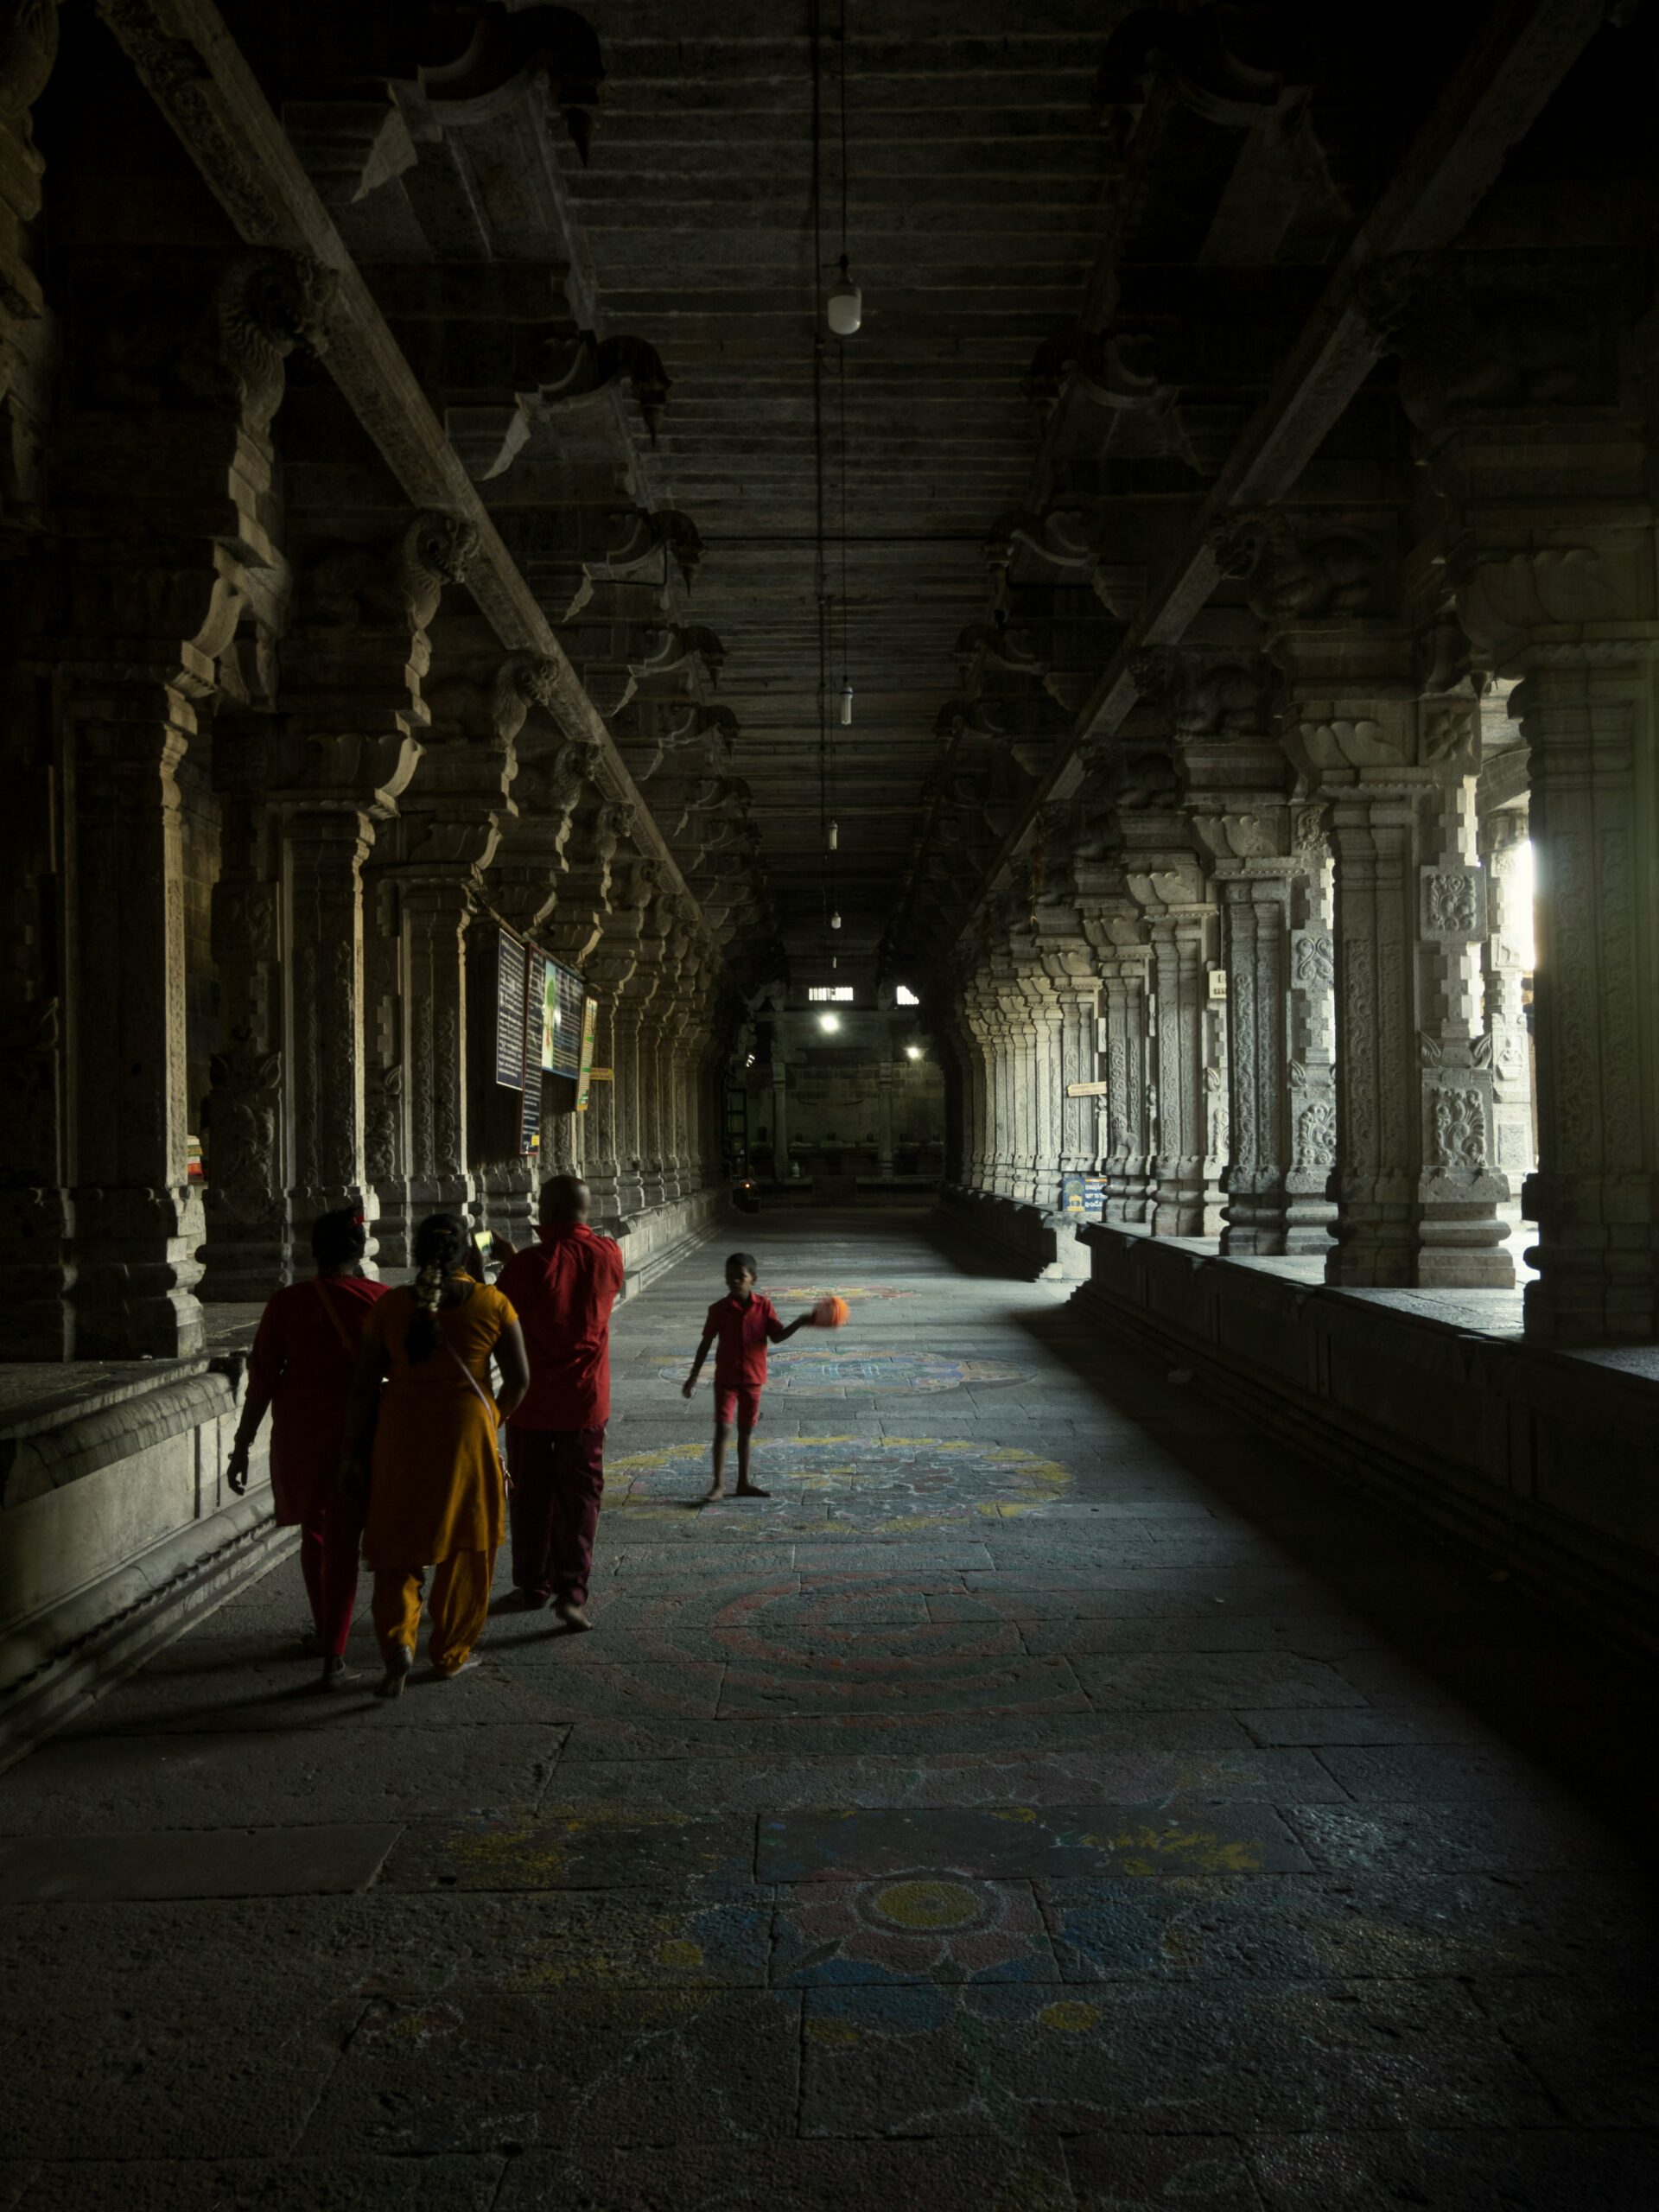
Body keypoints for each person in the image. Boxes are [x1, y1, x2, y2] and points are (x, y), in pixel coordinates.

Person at [342, 1212, 529, 1697]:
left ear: (415, 1252)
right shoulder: (492, 1302)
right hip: (468, 1431)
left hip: (400, 1430)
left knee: (396, 1542)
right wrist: (494, 1419)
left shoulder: (390, 1307)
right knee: (469, 1542)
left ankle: (398, 1644)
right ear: (469, 1253)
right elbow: (521, 1379)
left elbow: (364, 1386)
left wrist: (351, 1451)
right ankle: (449, 1653)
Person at [227, 1210, 390, 1689]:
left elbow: (261, 1380)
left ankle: (328, 1637)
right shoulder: (383, 1301)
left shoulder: (288, 1303)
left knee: (318, 1535)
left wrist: (241, 1445)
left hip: (302, 1434)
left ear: (313, 1252)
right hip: (366, 1434)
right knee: (355, 1539)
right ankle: (347, 1651)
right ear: (360, 1251)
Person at [495, 1174, 626, 1632]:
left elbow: (504, 1312)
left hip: (529, 1402)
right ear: (585, 1210)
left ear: (544, 1211)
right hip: (585, 1402)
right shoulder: (608, 1254)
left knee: (530, 1495)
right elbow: (574, 1281)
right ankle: (573, 1593)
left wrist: (497, 1266)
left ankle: (533, 1583)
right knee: (582, 1495)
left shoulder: (526, 1265)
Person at [682, 1252, 812, 1501]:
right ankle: (718, 1486)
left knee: (745, 1431)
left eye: (740, 1277)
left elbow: (776, 1336)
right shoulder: (718, 1310)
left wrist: (799, 1322)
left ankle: (743, 1482)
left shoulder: (764, 1306)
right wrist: (693, 1376)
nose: (734, 1281)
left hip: (753, 1379)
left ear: (753, 1278)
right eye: (729, 1277)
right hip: (726, 1379)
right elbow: (705, 1344)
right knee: (722, 1428)